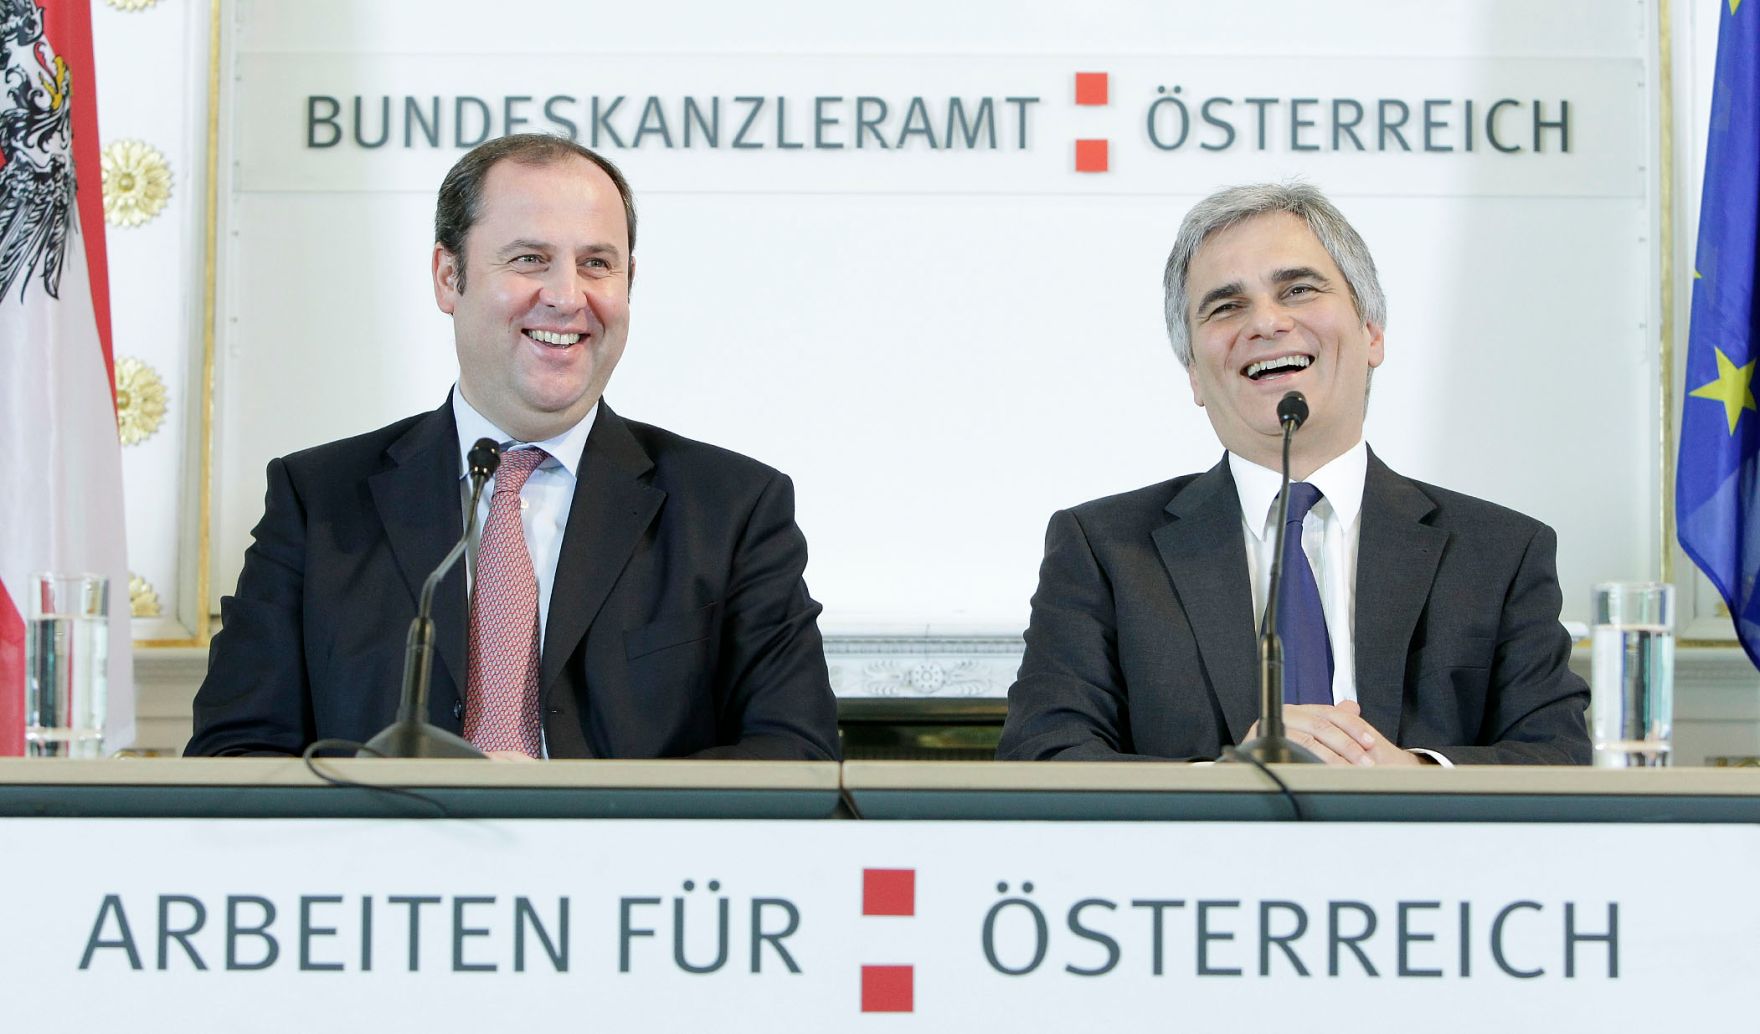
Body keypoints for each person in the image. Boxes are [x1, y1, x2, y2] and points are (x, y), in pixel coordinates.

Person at [187, 134, 839, 760]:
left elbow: (796, 753)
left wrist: (578, 809)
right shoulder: (318, 502)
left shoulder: (732, 509)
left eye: (597, 264)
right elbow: (233, 753)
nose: (566, 296)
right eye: (529, 259)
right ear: (449, 276)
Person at [997, 183, 1589, 766]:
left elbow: (1558, 757)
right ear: (1195, 374)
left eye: (1298, 290)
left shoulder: (1500, 551)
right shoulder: (1103, 550)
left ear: (1372, 333)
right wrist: (1223, 785)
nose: (1266, 322)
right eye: (1226, 307)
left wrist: (1414, 776)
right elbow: (1041, 756)